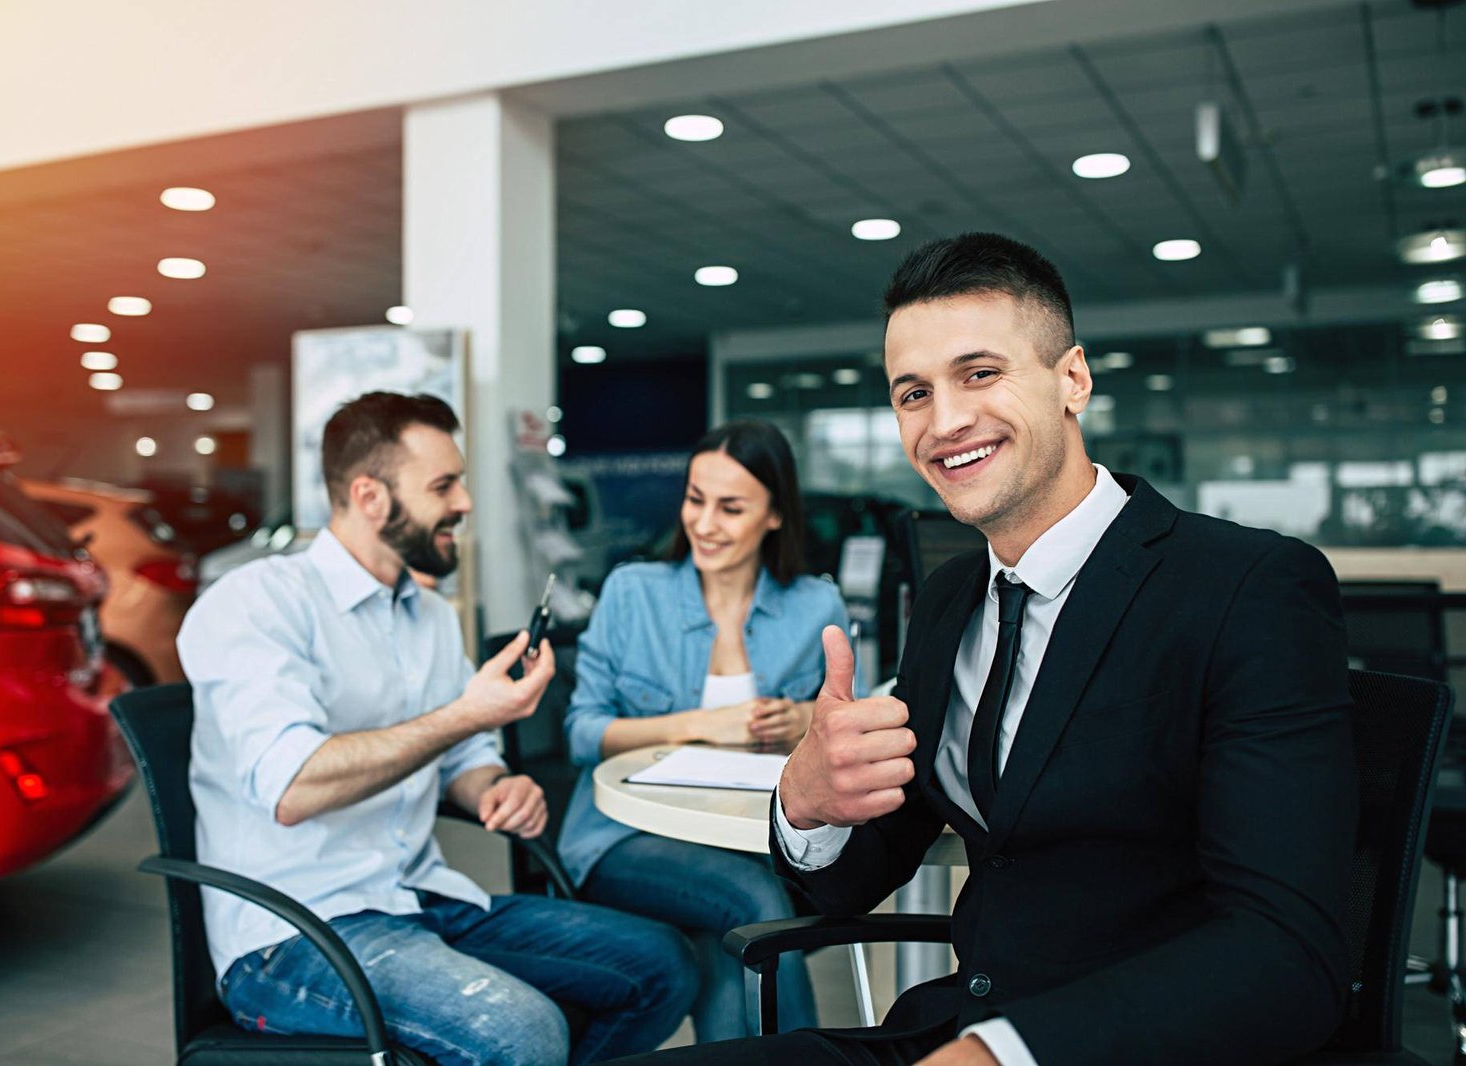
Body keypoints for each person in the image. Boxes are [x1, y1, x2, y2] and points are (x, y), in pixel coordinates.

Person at [615, 233, 1356, 1066]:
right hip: (943, 1030)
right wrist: (807, 803)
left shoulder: (1245, 587)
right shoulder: (949, 602)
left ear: (1072, 378)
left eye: (980, 374)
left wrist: (1008, 1052)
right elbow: (861, 875)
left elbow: (1290, 954)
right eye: (912, 393)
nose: (945, 422)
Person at [179, 391, 696, 1066]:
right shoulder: (256, 603)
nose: (466, 503)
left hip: (420, 899)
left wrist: (492, 787)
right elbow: (293, 786)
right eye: (443, 485)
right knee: (524, 1032)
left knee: (663, 965)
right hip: (296, 934)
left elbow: (463, 757)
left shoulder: (425, 614)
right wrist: (467, 715)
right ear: (370, 497)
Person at [558, 419, 849, 1042]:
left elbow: (843, 729)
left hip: (745, 837)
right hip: (623, 839)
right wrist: (700, 725)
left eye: (731, 507)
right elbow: (582, 732)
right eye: (695, 500)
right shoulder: (632, 593)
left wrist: (806, 721)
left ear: (775, 515)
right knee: (755, 905)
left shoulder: (814, 607)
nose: (705, 523)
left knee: (727, 957)